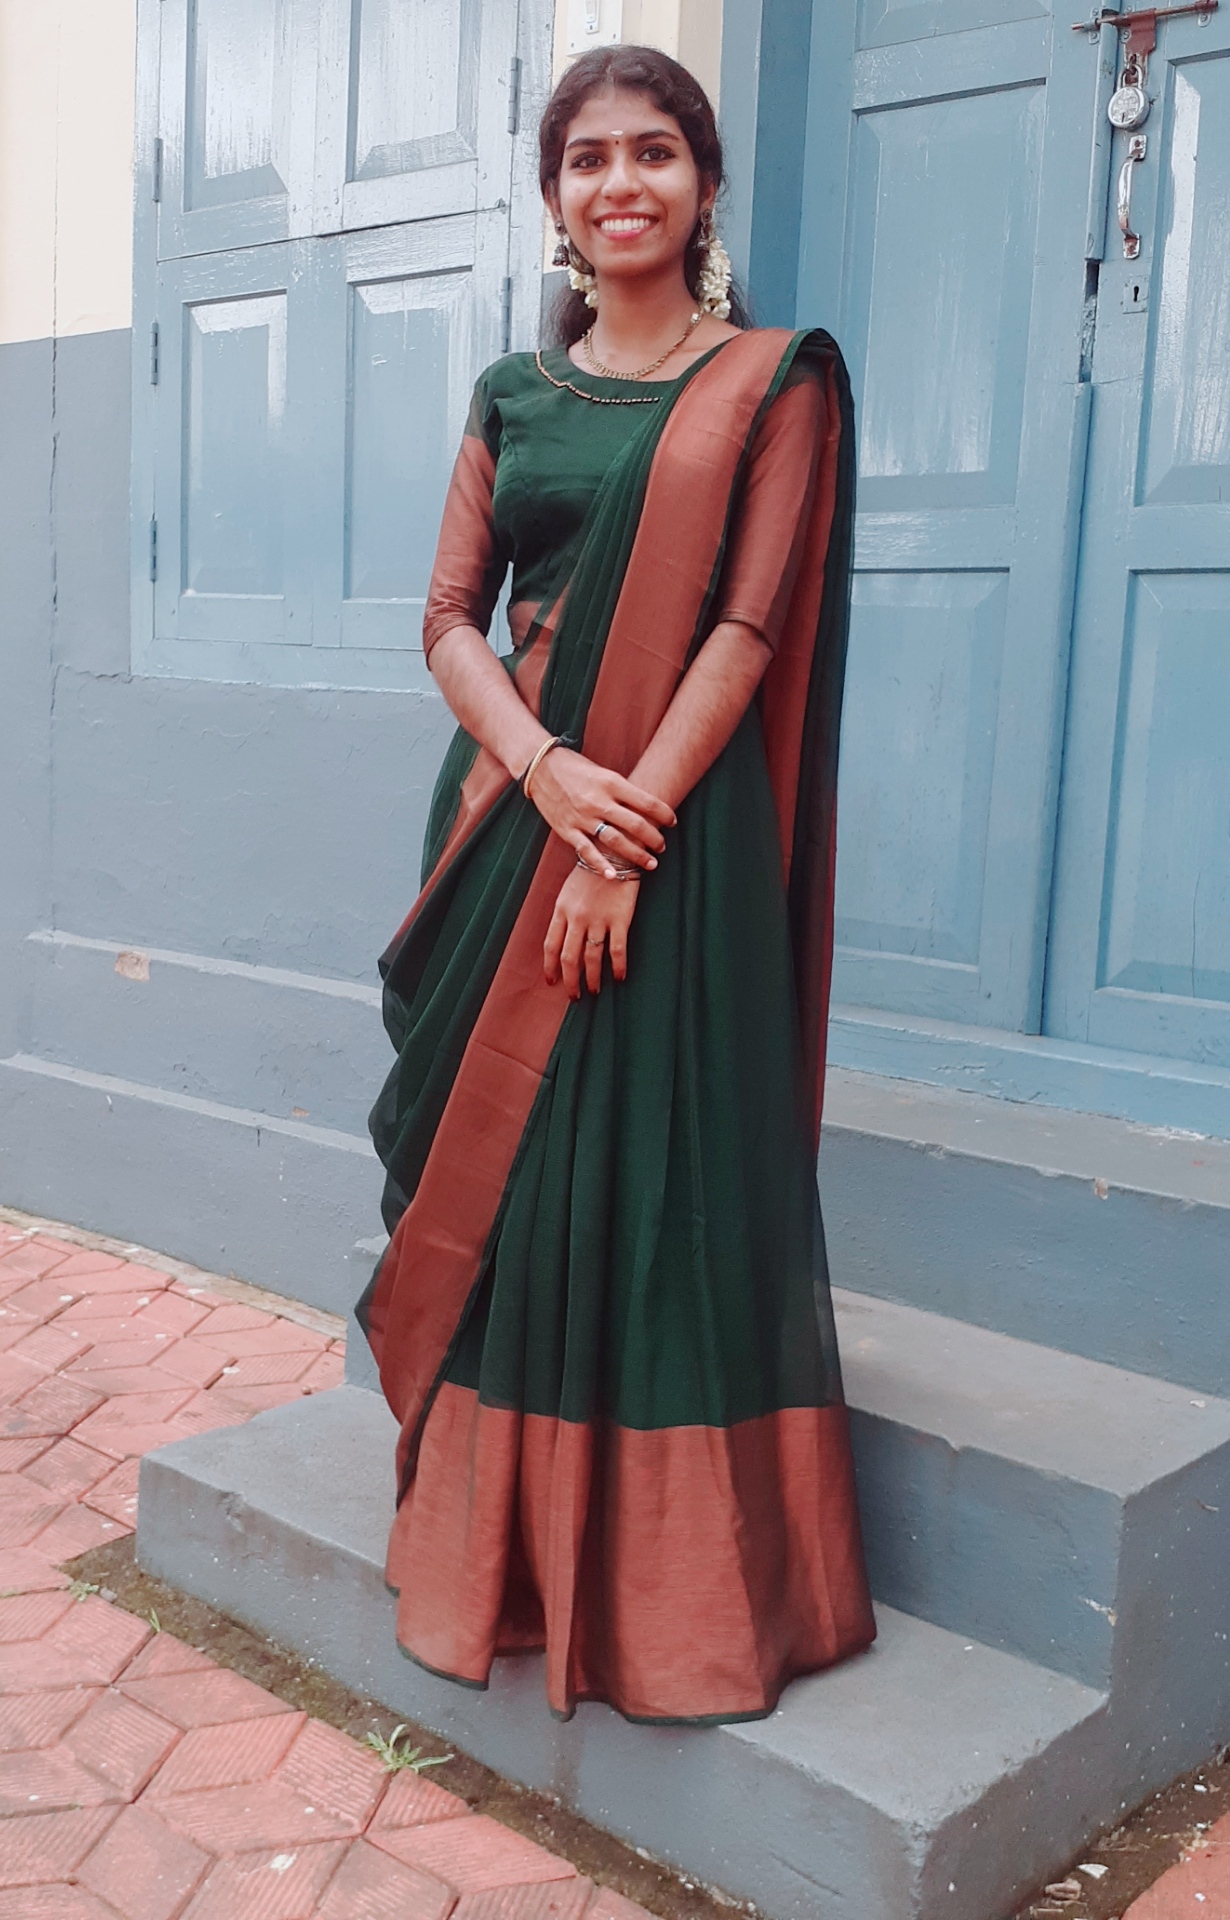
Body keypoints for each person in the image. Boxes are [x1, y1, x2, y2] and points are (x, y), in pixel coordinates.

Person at [357, 43, 875, 1726]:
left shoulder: (772, 385)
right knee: (512, 1189)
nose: (621, 183)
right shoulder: (512, 394)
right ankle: (486, 1549)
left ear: (704, 184)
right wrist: (545, 777)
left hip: (675, 840)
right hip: (513, 821)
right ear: (555, 198)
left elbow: (748, 628)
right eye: (588, 158)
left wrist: (620, 832)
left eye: (654, 152)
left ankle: (664, 1591)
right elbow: (450, 619)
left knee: (651, 1181)